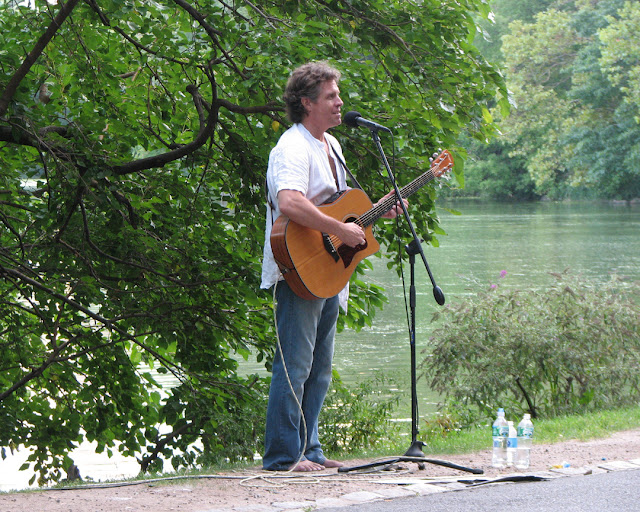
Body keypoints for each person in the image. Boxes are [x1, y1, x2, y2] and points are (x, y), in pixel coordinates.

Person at [260, 61, 404, 472]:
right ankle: (283, 456)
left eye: (338, 95)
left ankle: (311, 450)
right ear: (307, 103)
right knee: (296, 363)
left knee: (319, 367)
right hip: (299, 266)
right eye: (331, 96)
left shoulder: (332, 145)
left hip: (329, 267)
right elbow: (289, 202)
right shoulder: (292, 147)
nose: (340, 102)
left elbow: (339, 209)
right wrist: (335, 226)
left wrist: (379, 211)